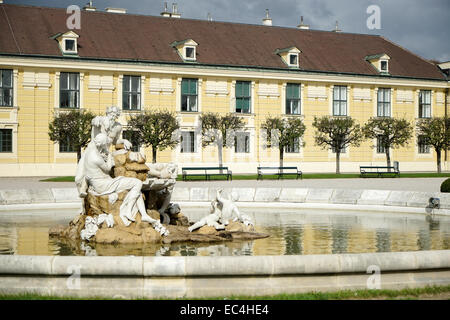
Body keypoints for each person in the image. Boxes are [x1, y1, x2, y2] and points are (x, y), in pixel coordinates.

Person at [81, 133, 168, 236]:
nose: (107, 147)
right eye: (106, 145)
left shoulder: (90, 153)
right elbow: (108, 168)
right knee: (137, 182)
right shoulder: (96, 157)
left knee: (137, 191)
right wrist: (109, 155)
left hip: (101, 183)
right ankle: (127, 212)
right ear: (102, 144)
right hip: (104, 185)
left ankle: (143, 215)